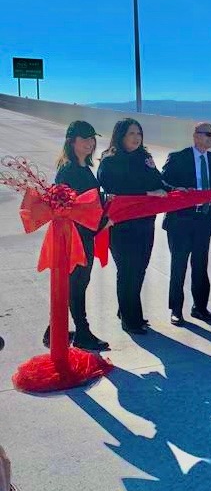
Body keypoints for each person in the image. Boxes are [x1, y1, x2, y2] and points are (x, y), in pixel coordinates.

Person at [42, 121, 109, 350]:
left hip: (84, 236)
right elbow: (71, 209)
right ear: (72, 141)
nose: (90, 143)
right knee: (76, 285)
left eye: (92, 138)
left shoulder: (83, 167)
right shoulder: (69, 170)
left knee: (75, 284)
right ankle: (82, 332)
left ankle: (54, 330)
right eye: (85, 138)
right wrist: (103, 222)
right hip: (75, 238)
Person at [97, 118, 167, 335]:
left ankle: (126, 309)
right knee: (128, 270)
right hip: (121, 225)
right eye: (131, 133)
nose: (136, 138)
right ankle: (130, 319)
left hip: (145, 223)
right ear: (120, 136)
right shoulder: (109, 160)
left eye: (139, 133)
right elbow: (113, 187)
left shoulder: (145, 158)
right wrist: (146, 193)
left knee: (140, 268)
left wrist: (175, 189)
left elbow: (158, 182)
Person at [160, 122, 211, 326]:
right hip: (180, 221)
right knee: (178, 266)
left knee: (200, 266)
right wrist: (178, 189)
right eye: (208, 134)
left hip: (204, 220)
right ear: (196, 136)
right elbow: (162, 182)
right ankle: (176, 310)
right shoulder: (178, 157)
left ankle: (200, 307)